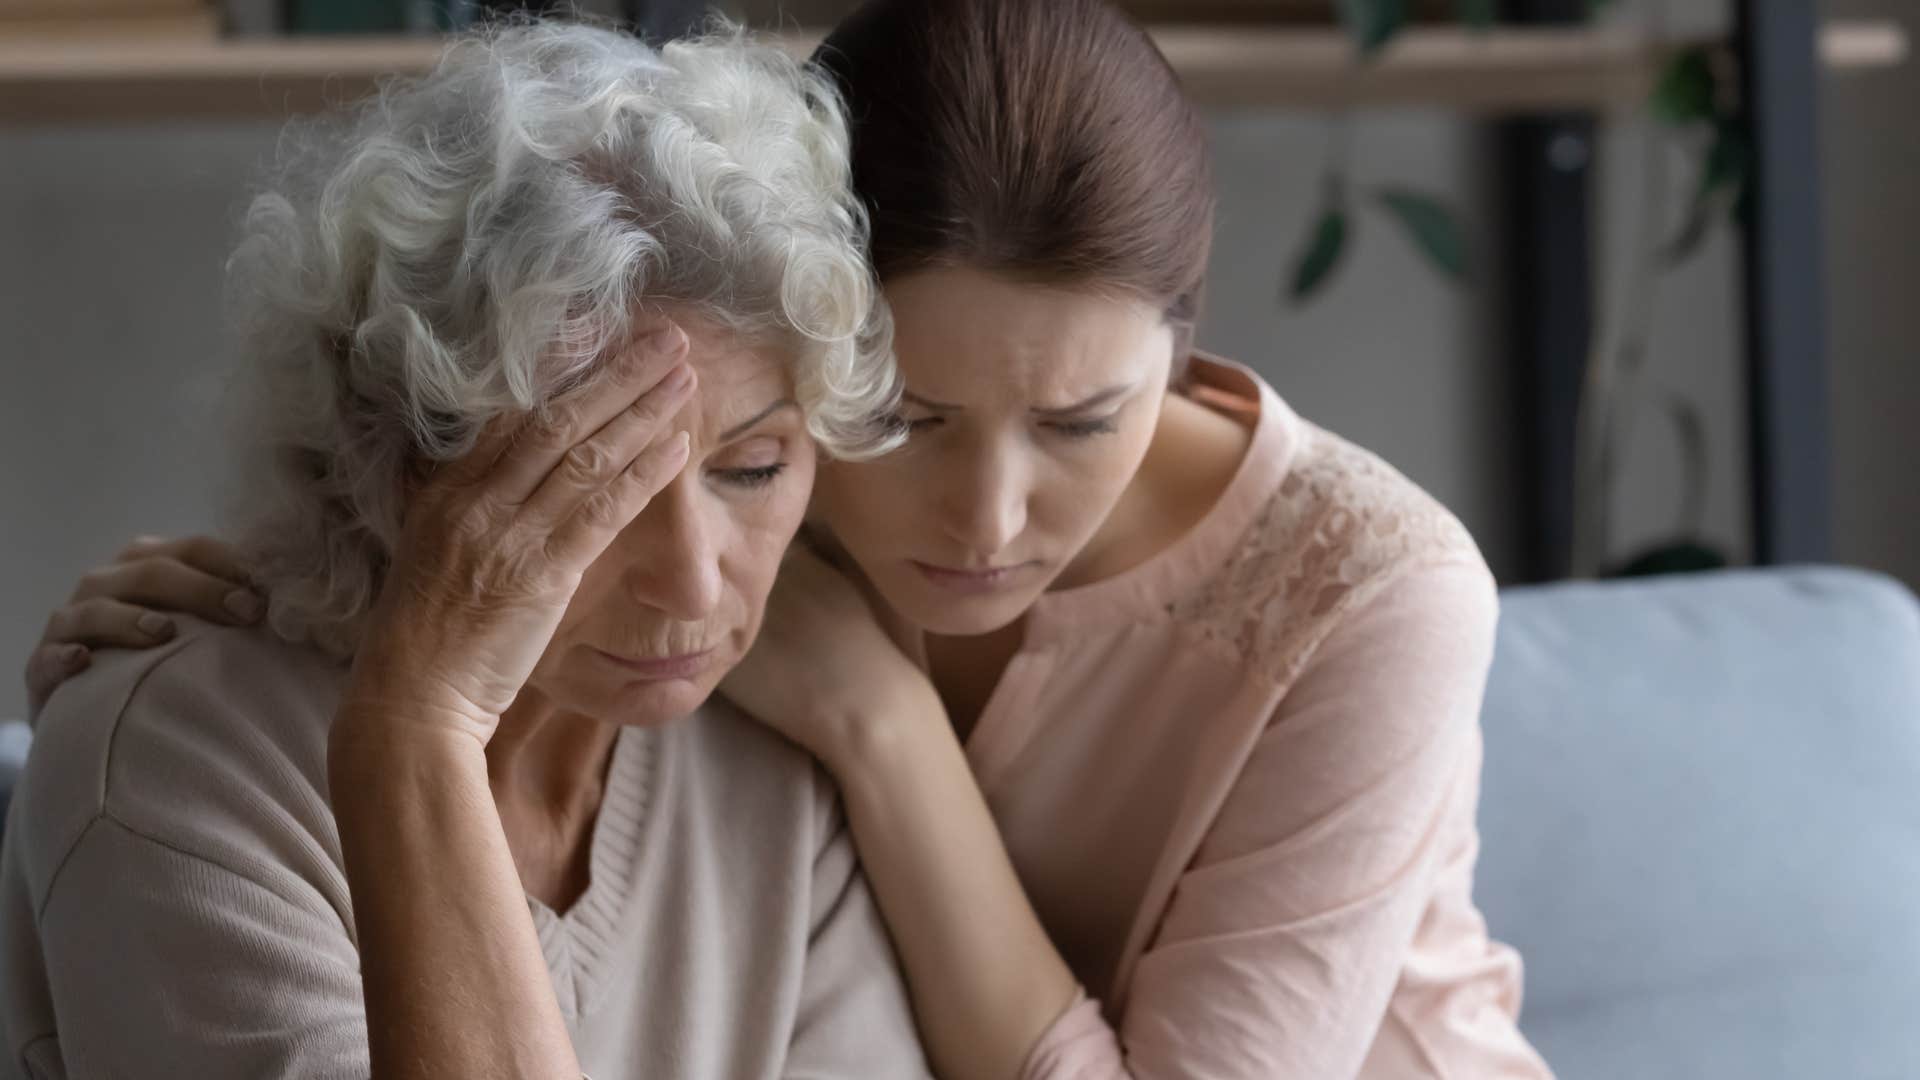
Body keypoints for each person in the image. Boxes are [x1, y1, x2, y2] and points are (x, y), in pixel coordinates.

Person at [27, 1, 1556, 1077]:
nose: (987, 521)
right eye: (911, 422)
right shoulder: (743, 549)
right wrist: (335, 622)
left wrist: (879, 723)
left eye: (1086, 422)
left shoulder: (1371, 598)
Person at [0, 21, 933, 1080]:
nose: (691, 576)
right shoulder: (178, 758)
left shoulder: (773, 773)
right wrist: (415, 732)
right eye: (587, 483)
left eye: (754, 469)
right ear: (392, 456)